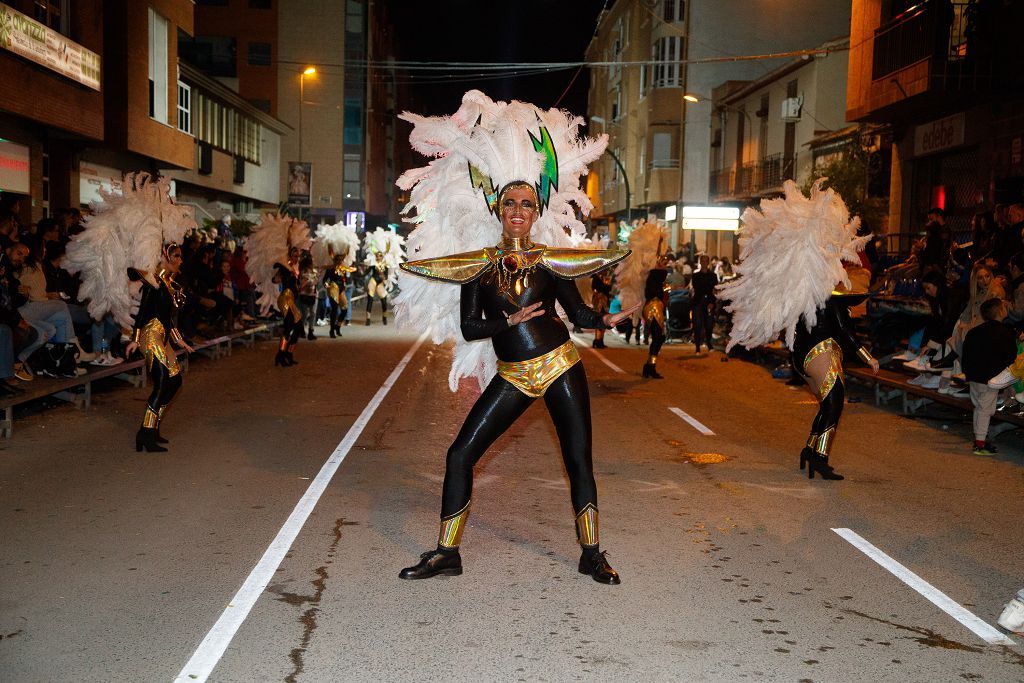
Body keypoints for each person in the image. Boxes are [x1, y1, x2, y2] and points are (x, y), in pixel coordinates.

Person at [393, 90, 635, 584]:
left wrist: (604, 321)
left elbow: (579, 312)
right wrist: (509, 322)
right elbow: (469, 328)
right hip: (514, 376)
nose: (519, 211)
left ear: (538, 207)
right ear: (497, 207)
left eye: (527, 203)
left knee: (578, 458)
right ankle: (446, 552)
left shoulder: (549, 260)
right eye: (511, 203)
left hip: (561, 366)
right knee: (460, 453)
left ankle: (591, 553)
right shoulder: (478, 268)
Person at [719, 180, 879, 481]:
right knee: (834, 402)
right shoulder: (825, 294)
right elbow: (845, 331)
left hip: (801, 353)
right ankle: (818, 456)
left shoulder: (803, 290)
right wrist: (868, 357)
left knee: (829, 403)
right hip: (820, 351)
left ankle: (812, 450)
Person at [125, 245, 193, 452]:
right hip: (150, 335)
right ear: (165, 256)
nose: (180, 260)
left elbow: (168, 319)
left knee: (175, 381)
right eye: (177, 256)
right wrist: (135, 339)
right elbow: (143, 311)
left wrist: (178, 340)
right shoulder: (153, 281)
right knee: (162, 382)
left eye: (181, 256)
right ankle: (145, 433)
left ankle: (153, 429)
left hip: (162, 336)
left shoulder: (168, 283)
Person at [962, 298, 1016, 455]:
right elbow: (1010, 358)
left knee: (979, 408)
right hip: (991, 379)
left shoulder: (974, 332)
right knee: (986, 409)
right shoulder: (1005, 333)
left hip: (974, 377)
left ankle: (980, 438)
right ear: (1000, 312)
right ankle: (980, 443)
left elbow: (966, 354)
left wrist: (968, 373)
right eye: (1004, 306)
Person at [642, 252, 670, 378]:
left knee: (659, 338)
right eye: (663, 263)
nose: (665, 266)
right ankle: (650, 367)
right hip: (652, 307)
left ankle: (650, 365)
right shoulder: (654, 274)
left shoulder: (656, 277)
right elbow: (662, 274)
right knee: (658, 337)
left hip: (657, 307)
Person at [273, 246, 303, 366]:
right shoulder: (285, 268)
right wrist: (282, 270)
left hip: (292, 300)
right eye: (295, 256)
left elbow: (297, 288)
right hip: (285, 299)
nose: (297, 258)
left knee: (298, 328)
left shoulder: (296, 268)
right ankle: (280, 355)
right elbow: (274, 280)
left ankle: (288, 354)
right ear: (289, 256)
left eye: (298, 256)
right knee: (289, 326)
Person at [691, 254, 718, 353]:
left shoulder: (713, 276)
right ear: (700, 262)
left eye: (706, 261)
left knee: (709, 325)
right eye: (702, 261)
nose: (704, 263)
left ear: (708, 263)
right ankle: (697, 346)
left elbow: (714, 290)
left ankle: (709, 344)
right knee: (697, 325)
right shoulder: (695, 276)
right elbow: (697, 288)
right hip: (698, 302)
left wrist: (712, 302)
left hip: (709, 302)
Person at [590, 269, 613, 348]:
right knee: (599, 321)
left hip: (605, 303)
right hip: (599, 303)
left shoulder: (606, 278)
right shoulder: (596, 278)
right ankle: (597, 340)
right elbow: (596, 289)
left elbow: (608, 289)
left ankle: (600, 340)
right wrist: (605, 286)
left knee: (604, 321)